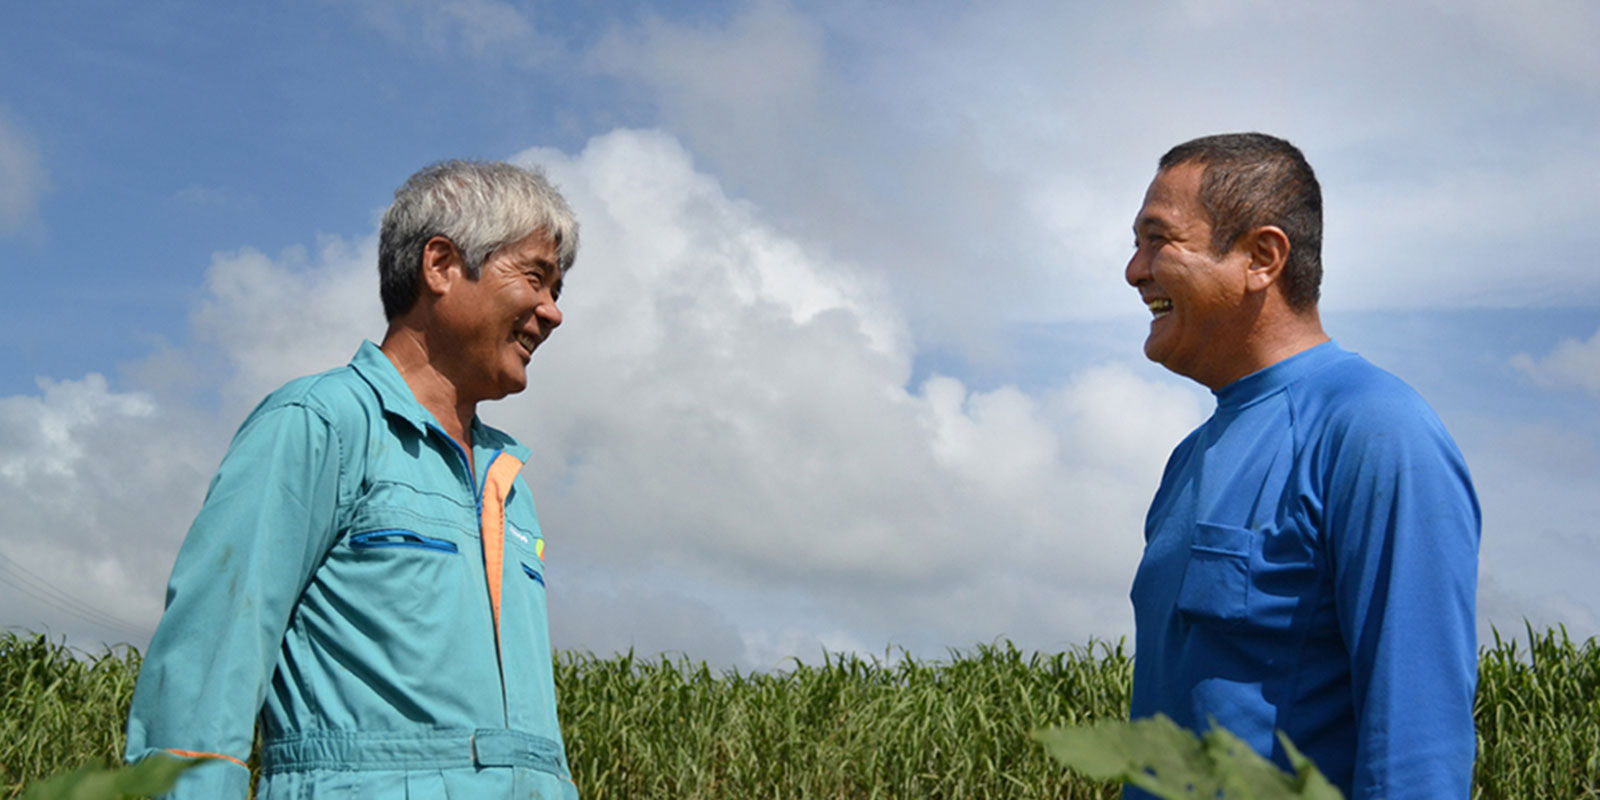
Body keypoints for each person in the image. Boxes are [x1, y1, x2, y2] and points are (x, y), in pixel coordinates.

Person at [124, 160, 581, 799]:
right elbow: (207, 671)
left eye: (557, 290)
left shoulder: (508, 481)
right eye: (536, 278)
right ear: (441, 265)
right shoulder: (318, 425)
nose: (552, 312)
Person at [1123, 133, 1479, 799]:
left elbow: (1417, 745)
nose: (1134, 270)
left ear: (1263, 257)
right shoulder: (1186, 462)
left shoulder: (1376, 430)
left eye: (1158, 240)